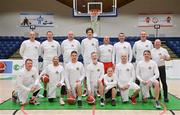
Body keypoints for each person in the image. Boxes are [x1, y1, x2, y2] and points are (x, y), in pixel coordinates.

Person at [81, 28, 99, 96]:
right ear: (86, 33)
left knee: (95, 75)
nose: (89, 33)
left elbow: (97, 50)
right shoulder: (83, 41)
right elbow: (82, 51)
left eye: (90, 32)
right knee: (86, 76)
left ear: (92, 33)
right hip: (86, 61)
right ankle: (85, 90)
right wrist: (86, 58)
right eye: (88, 32)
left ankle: (96, 90)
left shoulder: (96, 41)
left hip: (94, 61)